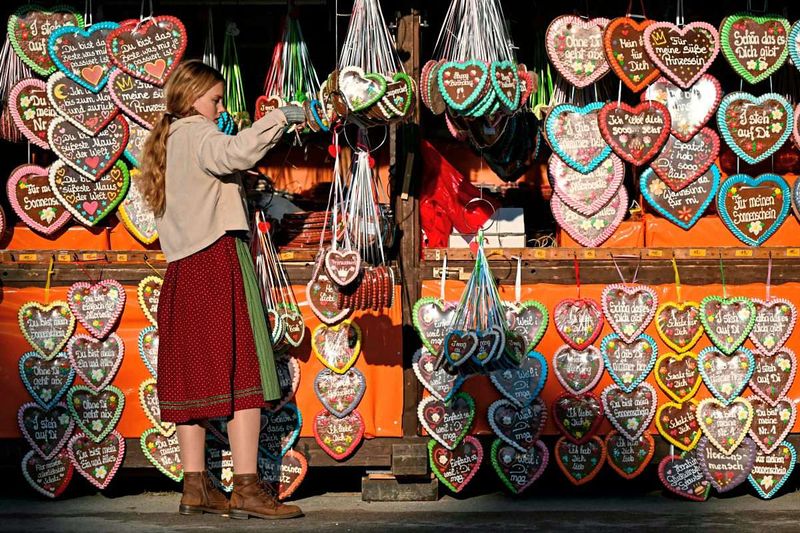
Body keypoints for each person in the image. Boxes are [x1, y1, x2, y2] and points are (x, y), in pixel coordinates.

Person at [138, 59, 305, 520]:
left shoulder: (168, 140)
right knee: (243, 371)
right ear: (193, 98)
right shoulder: (196, 131)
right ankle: (247, 489)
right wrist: (280, 119)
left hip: (182, 269)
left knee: (194, 377)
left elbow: (214, 174)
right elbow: (233, 153)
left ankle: (196, 487)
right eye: (214, 99)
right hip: (216, 261)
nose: (218, 108)